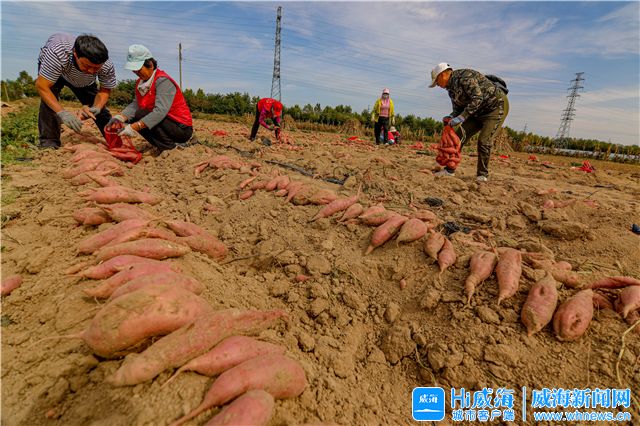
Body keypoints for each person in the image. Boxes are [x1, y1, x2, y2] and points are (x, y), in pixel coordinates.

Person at [429, 62, 509, 182]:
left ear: (443, 74)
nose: (438, 85)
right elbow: (457, 109)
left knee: (484, 140)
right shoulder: (451, 90)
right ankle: (449, 170)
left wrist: (462, 117)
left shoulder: (464, 77)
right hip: (476, 112)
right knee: (457, 136)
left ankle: (482, 175)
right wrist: (451, 117)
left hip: (495, 108)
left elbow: (477, 98)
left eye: (437, 81)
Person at [35, 33, 116, 148]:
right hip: (56, 72)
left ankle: (116, 142)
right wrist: (62, 113)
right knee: (49, 103)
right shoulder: (57, 53)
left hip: (84, 81)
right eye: (87, 66)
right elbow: (42, 86)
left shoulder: (106, 65)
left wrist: (97, 107)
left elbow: (104, 90)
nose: (91, 71)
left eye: (96, 68)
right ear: (75, 54)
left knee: (100, 110)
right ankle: (49, 143)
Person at [108, 45, 194, 151]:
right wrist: (120, 118)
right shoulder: (140, 83)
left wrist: (133, 127)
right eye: (134, 70)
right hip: (165, 124)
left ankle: (170, 146)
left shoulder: (163, 81)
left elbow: (160, 111)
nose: (136, 73)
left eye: (139, 69)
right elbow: (136, 104)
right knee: (135, 115)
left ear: (150, 65)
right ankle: (162, 144)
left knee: (140, 114)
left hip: (180, 128)